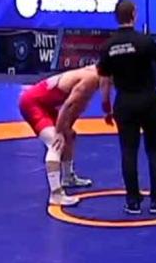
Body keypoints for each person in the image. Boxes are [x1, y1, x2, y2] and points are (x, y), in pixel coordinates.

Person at [97, 0, 156, 214]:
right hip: (148, 99)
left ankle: (132, 201)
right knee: (155, 149)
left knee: (128, 150)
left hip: (124, 101)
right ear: (134, 15)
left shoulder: (107, 46)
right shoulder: (144, 41)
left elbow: (104, 80)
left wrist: (106, 106)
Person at [18, 66, 100, 206]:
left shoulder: (94, 75)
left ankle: (68, 177)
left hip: (45, 104)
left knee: (68, 135)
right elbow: (67, 106)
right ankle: (55, 194)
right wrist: (59, 132)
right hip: (32, 103)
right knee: (55, 143)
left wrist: (66, 129)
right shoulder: (91, 79)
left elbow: (77, 107)